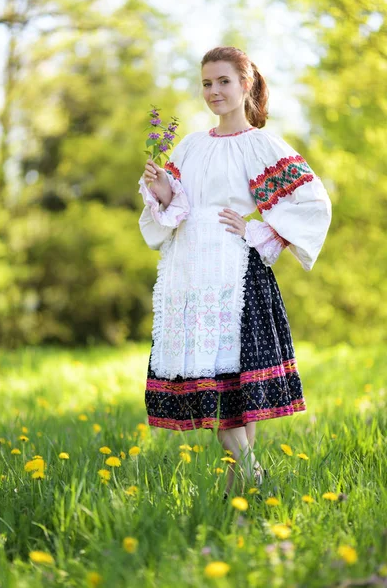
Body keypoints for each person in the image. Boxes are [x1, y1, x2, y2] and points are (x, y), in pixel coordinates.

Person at [137, 46, 332, 497]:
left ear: (245, 85)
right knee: (220, 383)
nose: (214, 91)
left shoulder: (262, 145)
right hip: (190, 273)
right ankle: (241, 485)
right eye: (207, 83)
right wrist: (161, 189)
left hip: (236, 273)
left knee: (232, 387)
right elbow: (176, 206)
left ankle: (246, 477)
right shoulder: (189, 144)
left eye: (223, 81)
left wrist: (260, 229)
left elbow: (311, 202)